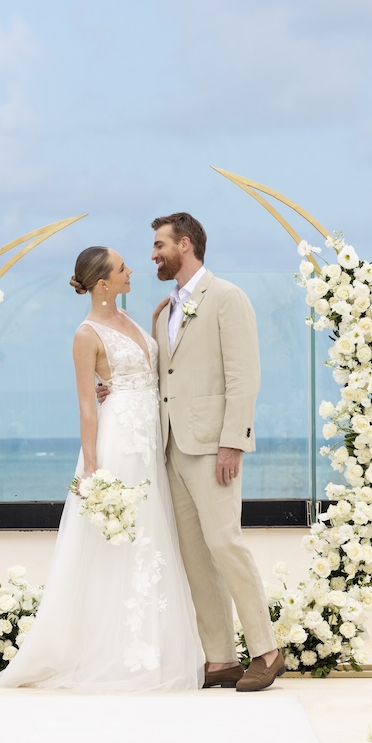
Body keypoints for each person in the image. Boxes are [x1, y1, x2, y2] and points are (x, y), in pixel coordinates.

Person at [0, 246, 204, 690]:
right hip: (120, 443)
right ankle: (117, 651)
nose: (132, 270)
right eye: (122, 267)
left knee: (153, 537)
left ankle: (156, 645)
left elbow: (147, 368)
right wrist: (92, 468)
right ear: (103, 284)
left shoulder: (133, 319)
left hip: (151, 440)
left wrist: (154, 328)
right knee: (124, 540)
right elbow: (88, 406)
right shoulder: (85, 335)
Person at [148, 211, 283, 692]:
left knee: (225, 543)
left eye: (161, 244)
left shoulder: (227, 297)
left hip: (212, 447)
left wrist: (233, 442)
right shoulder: (163, 311)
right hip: (171, 447)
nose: (154, 254)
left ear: (185, 244)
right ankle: (221, 659)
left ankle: (267, 650)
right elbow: (161, 377)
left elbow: (244, 376)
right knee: (195, 556)